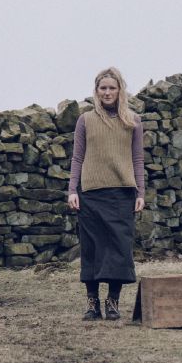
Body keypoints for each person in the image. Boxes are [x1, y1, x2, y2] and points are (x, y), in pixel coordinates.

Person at [67, 67, 146, 321]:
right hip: (90, 193)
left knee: (119, 249)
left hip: (122, 194)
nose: (108, 92)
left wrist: (140, 192)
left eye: (112, 88)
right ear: (96, 91)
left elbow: (137, 159)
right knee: (91, 249)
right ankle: (92, 304)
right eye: (103, 88)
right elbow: (77, 157)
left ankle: (112, 302)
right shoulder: (86, 120)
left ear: (120, 90)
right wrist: (72, 190)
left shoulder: (132, 120)